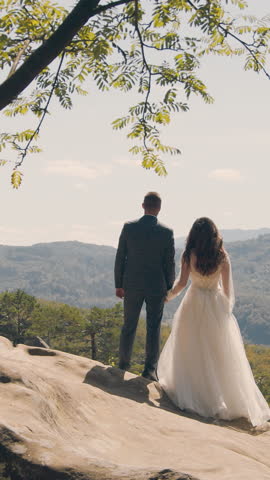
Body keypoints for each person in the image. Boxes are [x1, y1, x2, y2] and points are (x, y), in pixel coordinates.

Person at [157, 217, 270, 427]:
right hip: (215, 305)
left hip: (193, 303)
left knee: (191, 349)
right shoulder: (222, 256)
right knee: (218, 353)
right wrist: (225, 312)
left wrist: (167, 297)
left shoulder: (189, 254)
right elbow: (228, 291)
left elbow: (181, 284)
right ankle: (219, 398)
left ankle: (194, 392)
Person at [114, 192, 175, 381]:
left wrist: (119, 284)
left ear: (143, 206)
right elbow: (169, 263)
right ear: (159, 208)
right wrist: (169, 287)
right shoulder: (167, 232)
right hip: (157, 286)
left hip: (131, 284)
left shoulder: (129, 227)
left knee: (128, 325)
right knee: (153, 327)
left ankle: (123, 364)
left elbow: (120, 257)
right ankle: (149, 370)